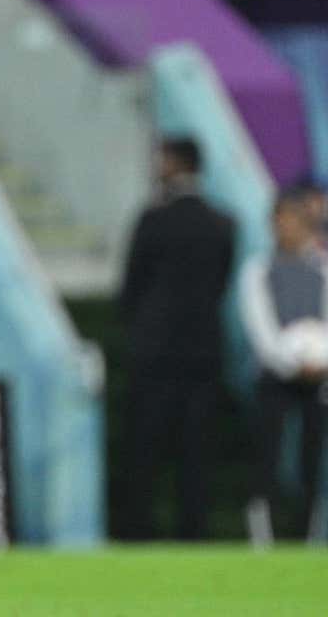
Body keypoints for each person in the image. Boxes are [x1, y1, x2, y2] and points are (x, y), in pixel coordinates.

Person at [118, 137, 236, 540]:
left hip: (154, 352)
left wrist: (141, 329)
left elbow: (131, 289)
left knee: (145, 447)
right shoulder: (223, 223)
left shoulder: (152, 220)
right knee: (196, 450)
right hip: (203, 350)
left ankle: (137, 531)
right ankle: (195, 531)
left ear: (174, 163)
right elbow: (221, 284)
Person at [240, 192, 327, 545]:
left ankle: (308, 535)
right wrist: (290, 362)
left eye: (291, 221)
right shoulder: (258, 269)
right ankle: (264, 536)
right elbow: (260, 326)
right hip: (276, 376)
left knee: (312, 457)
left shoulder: (322, 269)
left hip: (318, 375)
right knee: (267, 456)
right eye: (278, 222)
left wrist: (319, 362)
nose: (284, 229)